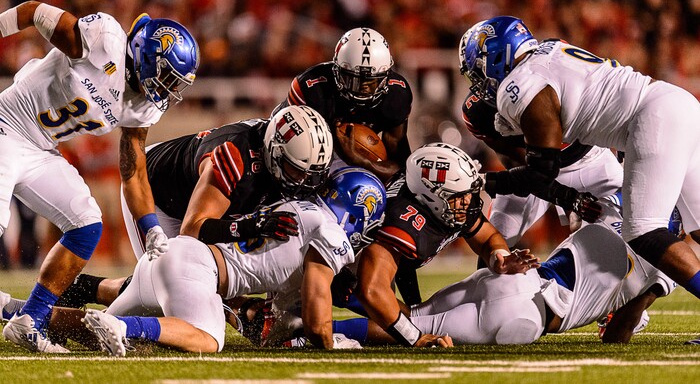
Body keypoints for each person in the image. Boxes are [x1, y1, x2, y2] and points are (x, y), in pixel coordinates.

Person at [3, 167, 389, 354]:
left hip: (171, 259)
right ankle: (121, 324)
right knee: (208, 339)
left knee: (97, 337)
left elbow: (279, 319)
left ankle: (18, 313)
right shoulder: (332, 232)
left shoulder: (298, 207)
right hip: (197, 269)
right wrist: (329, 340)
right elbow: (317, 308)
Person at [0, 1, 199, 353]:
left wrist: (150, 224)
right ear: (148, 54)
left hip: (41, 148)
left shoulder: (144, 103)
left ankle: (30, 320)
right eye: (167, 77)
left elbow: (133, 166)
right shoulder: (104, 41)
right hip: (7, 127)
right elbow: (33, 11)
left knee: (86, 223)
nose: (169, 90)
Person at [459, 16, 700, 304]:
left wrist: (484, 180)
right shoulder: (550, 49)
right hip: (675, 101)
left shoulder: (520, 85)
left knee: (644, 230)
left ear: (495, 56)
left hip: (649, 121)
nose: (477, 80)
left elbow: (543, 170)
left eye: (477, 69)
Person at [49, 105, 334, 311]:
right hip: (156, 193)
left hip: (199, 200)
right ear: (273, 152)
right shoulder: (234, 159)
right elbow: (194, 228)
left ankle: (244, 314)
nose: (303, 182)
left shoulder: (284, 154)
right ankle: (85, 288)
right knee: (168, 290)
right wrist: (250, 227)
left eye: (310, 174)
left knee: (199, 282)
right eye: (295, 171)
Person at [355, 142, 539, 347]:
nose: (468, 202)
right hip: (340, 273)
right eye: (459, 196)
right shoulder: (403, 220)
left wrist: (499, 258)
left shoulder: (447, 202)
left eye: (469, 193)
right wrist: (415, 338)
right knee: (398, 323)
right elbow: (371, 290)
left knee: (408, 317)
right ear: (430, 194)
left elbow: (488, 237)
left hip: (368, 274)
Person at [408, 220, 676, 344]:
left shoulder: (614, 216)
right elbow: (619, 330)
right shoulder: (665, 263)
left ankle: (364, 289)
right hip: (526, 313)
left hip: (510, 275)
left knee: (402, 318)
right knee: (408, 332)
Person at [460, 81, 623, 249]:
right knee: (494, 244)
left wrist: (622, 138)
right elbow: (529, 175)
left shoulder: (552, 75)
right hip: (529, 171)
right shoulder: (479, 110)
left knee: (631, 228)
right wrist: (570, 200)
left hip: (589, 160)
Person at [274, 27, 413, 183]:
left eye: (371, 81)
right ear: (337, 71)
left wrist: (360, 161)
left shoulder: (397, 94)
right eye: (353, 80)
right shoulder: (312, 89)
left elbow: (401, 169)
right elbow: (287, 152)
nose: (363, 87)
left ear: (386, 76)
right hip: (305, 155)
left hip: (355, 165)